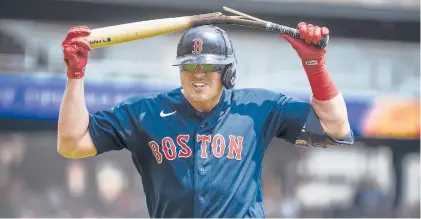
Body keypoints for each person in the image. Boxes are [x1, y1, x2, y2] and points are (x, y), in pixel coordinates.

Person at [57, 22, 354, 218]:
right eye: (189, 66)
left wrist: (314, 65)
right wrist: (75, 75)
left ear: (228, 72)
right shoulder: (146, 112)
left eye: (208, 65)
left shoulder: (258, 108)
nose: (198, 74)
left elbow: (335, 128)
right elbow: (73, 143)